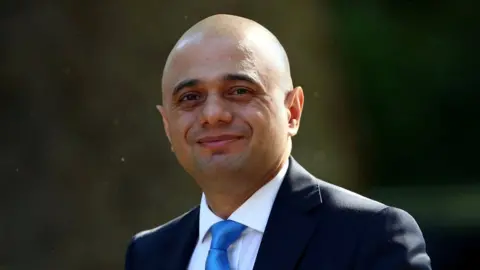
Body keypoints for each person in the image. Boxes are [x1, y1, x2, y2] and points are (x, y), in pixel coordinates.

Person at [125, 14, 431, 270]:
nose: (213, 114)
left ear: (292, 111)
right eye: (190, 98)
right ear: (167, 125)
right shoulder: (150, 254)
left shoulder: (370, 237)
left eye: (239, 91)